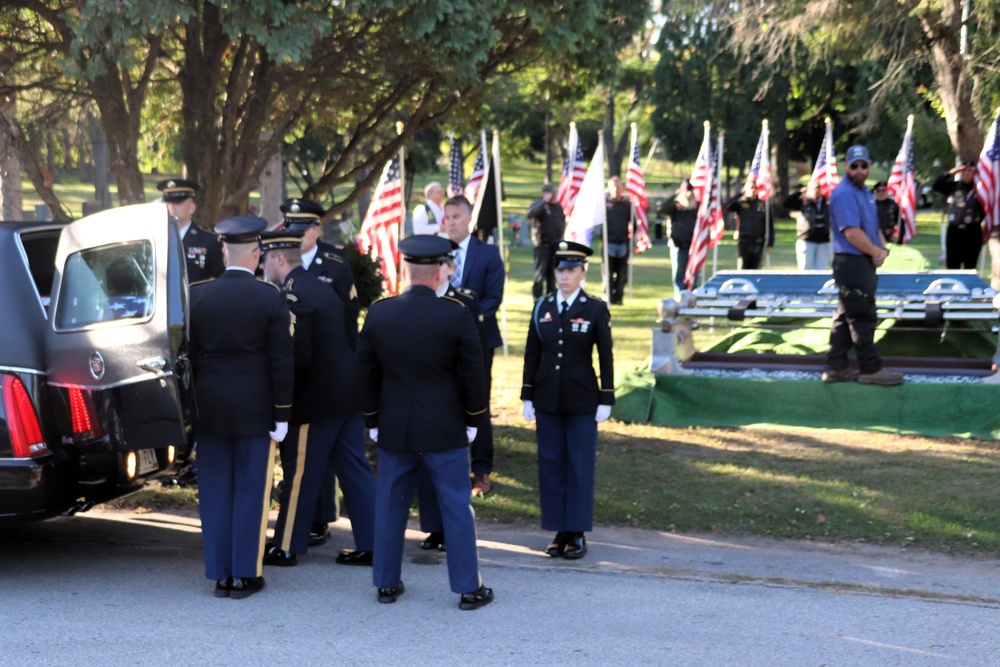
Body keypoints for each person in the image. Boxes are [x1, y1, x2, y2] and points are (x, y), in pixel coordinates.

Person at [356, 234, 494, 610]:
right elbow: (473, 373)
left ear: (406, 269)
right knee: (454, 507)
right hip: (445, 428)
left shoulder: (381, 312)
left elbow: (365, 372)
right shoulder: (454, 314)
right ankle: (468, 587)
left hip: (395, 428)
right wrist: (473, 420)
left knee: (390, 506)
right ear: (438, 273)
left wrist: (372, 420)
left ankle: (385, 582)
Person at [187, 215, 294, 599]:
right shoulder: (270, 296)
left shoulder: (196, 295)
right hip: (255, 408)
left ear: (221, 251)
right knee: (251, 489)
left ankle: (220, 573)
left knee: (215, 490)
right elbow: (282, 361)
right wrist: (282, 413)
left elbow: (189, 359)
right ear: (256, 253)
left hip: (210, 407)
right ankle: (244, 575)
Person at [258, 230, 376, 569]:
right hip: (346, 396)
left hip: (317, 401)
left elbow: (297, 356)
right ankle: (372, 543)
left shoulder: (293, 296)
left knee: (299, 475)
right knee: (355, 469)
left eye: (265, 258)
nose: (263, 265)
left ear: (279, 258)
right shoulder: (321, 287)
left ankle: (285, 545)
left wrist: (283, 400)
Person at [520, 241, 614, 560]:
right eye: (560, 269)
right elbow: (532, 353)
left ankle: (577, 531)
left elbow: (606, 356)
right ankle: (558, 529)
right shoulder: (542, 306)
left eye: (571, 270)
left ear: (583, 272)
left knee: (579, 464)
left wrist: (607, 398)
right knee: (551, 464)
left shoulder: (594, 308)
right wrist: (527, 395)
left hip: (582, 399)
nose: (564, 276)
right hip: (547, 398)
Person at [280, 197, 363, 547]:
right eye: (290, 229)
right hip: (315, 382)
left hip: (325, 378)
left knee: (314, 460)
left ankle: (309, 527)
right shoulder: (280, 266)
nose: (296, 236)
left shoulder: (336, 264)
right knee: (312, 460)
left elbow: (349, 323)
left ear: (317, 229)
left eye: (303, 229)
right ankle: (316, 521)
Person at [823, 146, 904, 387]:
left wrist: (882, 247)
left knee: (844, 315)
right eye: (854, 165)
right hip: (852, 262)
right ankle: (870, 369)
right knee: (862, 316)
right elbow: (851, 233)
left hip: (860, 262)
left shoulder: (864, 193)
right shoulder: (845, 193)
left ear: (868, 165)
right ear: (846, 166)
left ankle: (836, 366)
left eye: (863, 165)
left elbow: (871, 227)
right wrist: (876, 252)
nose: (859, 170)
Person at [440, 195, 504, 498]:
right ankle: (451, 465)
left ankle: (481, 471)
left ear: (468, 218)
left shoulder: (488, 253)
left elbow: (493, 298)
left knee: (478, 402)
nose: (450, 222)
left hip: (479, 341)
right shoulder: (436, 252)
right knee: (446, 400)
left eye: (456, 217)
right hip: (440, 341)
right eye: (447, 217)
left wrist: (464, 322)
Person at [157, 179, 225, 283]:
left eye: (178, 202)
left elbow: (220, 279)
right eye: (168, 202)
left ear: (192, 207)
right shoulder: (155, 239)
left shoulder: (210, 242)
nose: (172, 206)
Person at [932, 162, 985, 269]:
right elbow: (935, 185)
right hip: (954, 230)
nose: (966, 173)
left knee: (970, 265)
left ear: (975, 172)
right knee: (952, 265)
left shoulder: (981, 189)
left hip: (972, 231)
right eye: (964, 170)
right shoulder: (953, 186)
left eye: (969, 170)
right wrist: (951, 172)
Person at [526, 183, 566, 300]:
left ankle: (551, 297)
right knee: (540, 274)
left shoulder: (558, 206)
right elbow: (530, 214)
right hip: (542, 245)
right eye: (552, 194)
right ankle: (537, 297)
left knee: (553, 275)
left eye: (555, 193)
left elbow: (561, 221)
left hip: (555, 245)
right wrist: (544, 201)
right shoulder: (539, 205)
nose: (555, 196)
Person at [783, 181, 831, 270]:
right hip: (807, 240)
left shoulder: (826, 202)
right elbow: (786, 202)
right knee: (805, 269)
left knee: (821, 270)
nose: (816, 191)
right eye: (814, 188)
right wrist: (800, 192)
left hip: (823, 240)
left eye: (818, 188)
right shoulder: (803, 202)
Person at [727, 181, 774, 270]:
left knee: (756, 269)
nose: (752, 190)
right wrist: (740, 194)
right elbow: (728, 206)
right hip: (744, 241)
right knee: (743, 267)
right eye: (750, 188)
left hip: (758, 241)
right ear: (745, 189)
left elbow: (769, 225)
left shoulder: (763, 205)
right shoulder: (740, 203)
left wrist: (770, 242)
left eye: (754, 188)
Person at [666, 179, 698, 296]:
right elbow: (663, 208)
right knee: (679, 275)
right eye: (686, 191)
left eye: (691, 191)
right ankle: (680, 297)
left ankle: (693, 297)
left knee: (694, 275)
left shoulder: (697, 207)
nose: (689, 194)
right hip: (679, 246)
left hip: (694, 247)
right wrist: (676, 195)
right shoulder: (675, 208)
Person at [604, 176, 632, 305]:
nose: (616, 189)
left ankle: (619, 297)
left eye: (618, 186)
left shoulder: (627, 205)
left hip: (622, 243)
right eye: (613, 186)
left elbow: (634, 223)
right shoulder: (605, 204)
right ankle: (609, 296)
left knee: (622, 273)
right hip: (608, 242)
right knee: (609, 272)